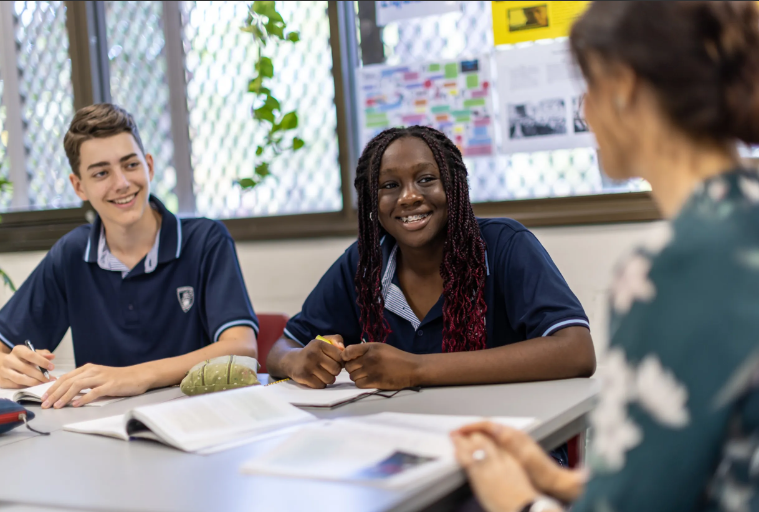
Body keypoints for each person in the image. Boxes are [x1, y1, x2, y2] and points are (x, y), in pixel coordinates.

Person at [451, 2, 759, 511]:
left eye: (588, 87)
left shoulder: (670, 269)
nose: (583, 110)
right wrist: (569, 483)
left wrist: (517, 501)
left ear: (625, 86)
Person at [266, 125, 595, 393]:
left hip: (507, 440)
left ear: (454, 187)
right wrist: (297, 361)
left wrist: (416, 369)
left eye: (426, 179)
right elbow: (282, 346)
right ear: (372, 201)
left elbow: (576, 350)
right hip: (407, 442)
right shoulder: (364, 264)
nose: (409, 196)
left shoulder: (503, 246)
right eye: (390, 185)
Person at [0, 104, 259, 408]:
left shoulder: (206, 240)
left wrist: (137, 376)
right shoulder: (71, 254)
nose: (122, 182)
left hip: (197, 417)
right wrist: (8, 366)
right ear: (79, 186)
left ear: (149, 166)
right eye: (101, 173)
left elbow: (242, 348)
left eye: (130, 165)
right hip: (100, 430)